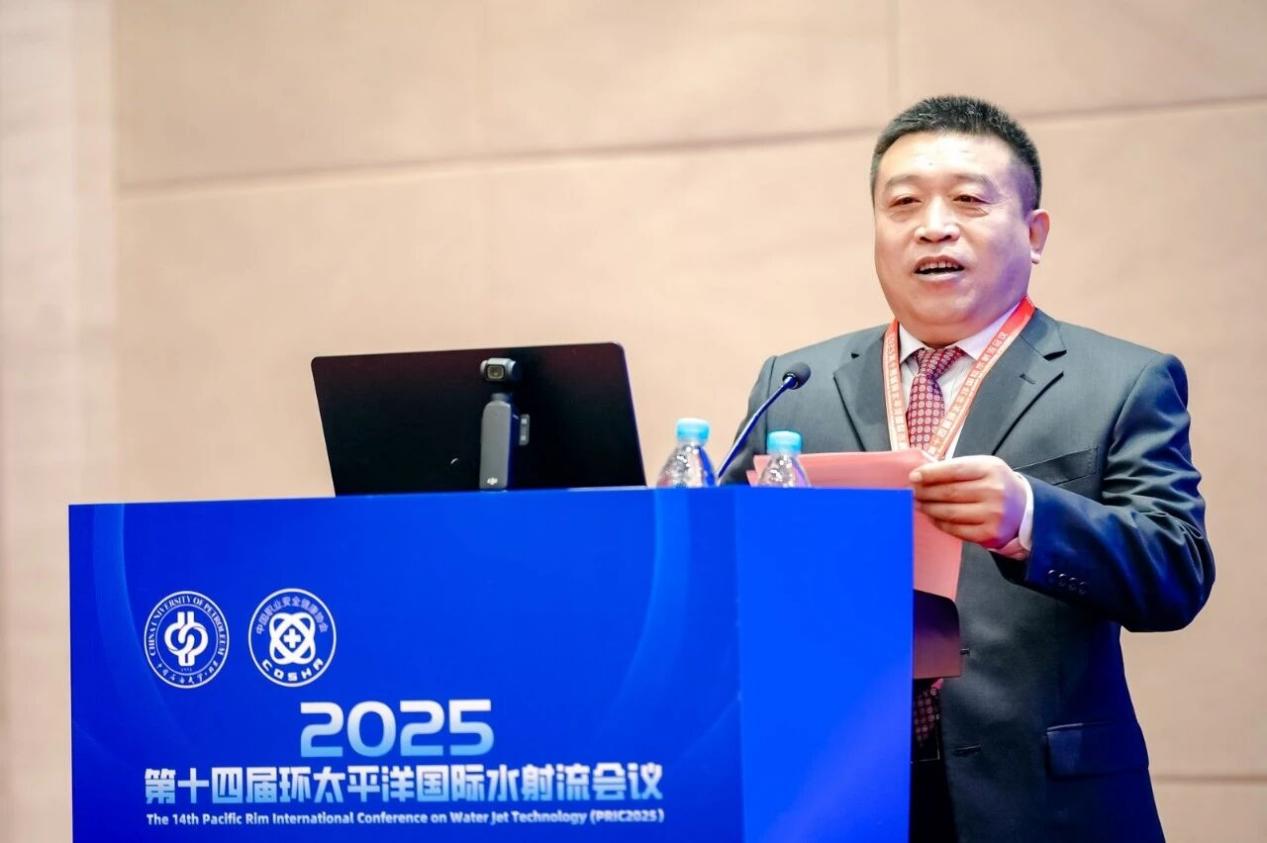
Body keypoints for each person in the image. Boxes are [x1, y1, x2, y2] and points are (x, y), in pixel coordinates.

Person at [720, 95, 1214, 842]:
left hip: (1039, 800)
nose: (933, 225)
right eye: (903, 203)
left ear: (1034, 233)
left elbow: (1176, 572)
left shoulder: (1121, 381)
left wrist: (1029, 519)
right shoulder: (795, 384)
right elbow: (722, 567)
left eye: (968, 200)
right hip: (835, 786)